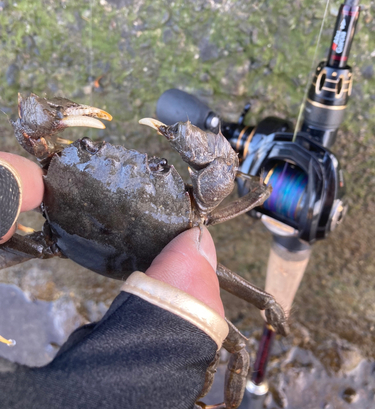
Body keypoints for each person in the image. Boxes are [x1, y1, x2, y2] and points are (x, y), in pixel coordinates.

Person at [0, 152, 227, 409]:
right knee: (222, 344)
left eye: (157, 168)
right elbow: (222, 167)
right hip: (173, 269)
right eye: (88, 150)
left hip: (61, 243)